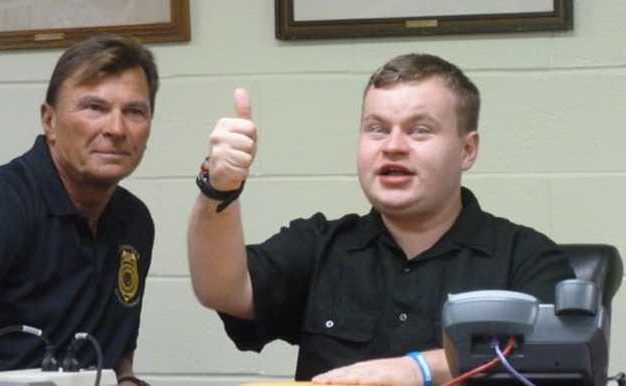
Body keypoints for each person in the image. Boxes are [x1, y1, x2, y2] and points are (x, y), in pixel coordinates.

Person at [187, 53, 575, 385]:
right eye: (376, 129)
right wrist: (220, 188)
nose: (392, 146)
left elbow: (554, 353)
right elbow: (223, 290)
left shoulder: (525, 257)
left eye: (419, 131)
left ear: (467, 150)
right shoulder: (321, 244)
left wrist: (420, 369)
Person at [0, 34, 157, 385]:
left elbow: (116, 349)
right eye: (94, 108)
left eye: (134, 112)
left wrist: (126, 379)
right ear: (49, 121)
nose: (116, 129)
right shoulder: (5, 200)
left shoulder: (135, 221)